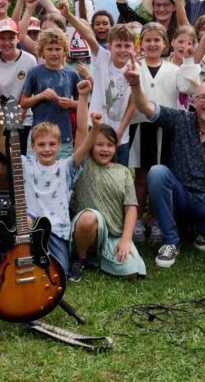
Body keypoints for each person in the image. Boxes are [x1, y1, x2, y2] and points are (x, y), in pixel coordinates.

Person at [126, 62, 205, 269]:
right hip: (179, 194)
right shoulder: (180, 120)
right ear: (193, 101)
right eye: (202, 98)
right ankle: (171, 241)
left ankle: (201, 228)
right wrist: (136, 84)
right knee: (157, 172)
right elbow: (147, 108)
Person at [126, 22, 199, 244]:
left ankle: (156, 218)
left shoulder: (173, 69)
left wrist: (187, 59)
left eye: (157, 40)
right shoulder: (135, 66)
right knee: (141, 175)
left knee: (161, 175)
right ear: (141, 43)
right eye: (147, 40)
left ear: (165, 43)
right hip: (141, 125)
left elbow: (190, 87)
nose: (152, 44)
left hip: (167, 127)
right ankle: (136, 219)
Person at [68, 79, 146, 281]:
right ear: (91, 147)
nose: (104, 149)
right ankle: (81, 258)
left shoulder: (123, 172)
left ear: (115, 148)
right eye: (99, 145)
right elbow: (82, 132)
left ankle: (102, 256)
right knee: (88, 218)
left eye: (109, 145)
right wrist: (83, 97)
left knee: (132, 272)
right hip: (87, 227)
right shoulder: (85, 164)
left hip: (113, 234)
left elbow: (131, 208)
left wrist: (126, 240)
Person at [21, 81, 102, 273]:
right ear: (33, 147)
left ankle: (67, 258)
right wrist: (0, 129)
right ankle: (23, 255)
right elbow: (3, 149)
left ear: (59, 145)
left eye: (51, 144)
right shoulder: (27, 164)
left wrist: (96, 129)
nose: (47, 149)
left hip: (58, 229)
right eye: (41, 145)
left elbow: (83, 136)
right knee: (25, 221)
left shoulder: (66, 167)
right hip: (32, 228)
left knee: (59, 273)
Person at [61, 2, 135, 164]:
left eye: (127, 46)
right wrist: (68, 15)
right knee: (91, 175)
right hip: (94, 131)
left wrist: (121, 130)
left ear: (134, 48)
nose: (122, 50)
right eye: (118, 45)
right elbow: (87, 34)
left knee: (117, 176)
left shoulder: (135, 69)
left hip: (120, 135)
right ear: (110, 47)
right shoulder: (103, 58)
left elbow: (133, 103)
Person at [0, 18, 37, 188]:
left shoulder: (30, 60)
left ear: (18, 38)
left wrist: (17, 119)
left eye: (11, 37)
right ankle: (6, 202)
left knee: (19, 167)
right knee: (0, 171)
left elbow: (27, 92)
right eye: (2, 38)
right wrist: (1, 118)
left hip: (24, 118)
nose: (7, 42)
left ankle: (20, 204)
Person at [20, 27, 80, 158]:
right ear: (42, 52)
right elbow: (23, 103)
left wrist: (71, 104)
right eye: (49, 49)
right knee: (37, 175)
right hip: (39, 136)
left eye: (58, 49)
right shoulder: (34, 73)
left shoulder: (72, 74)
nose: (54, 53)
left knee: (61, 175)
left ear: (65, 51)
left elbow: (82, 106)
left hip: (63, 138)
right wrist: (40, 96)